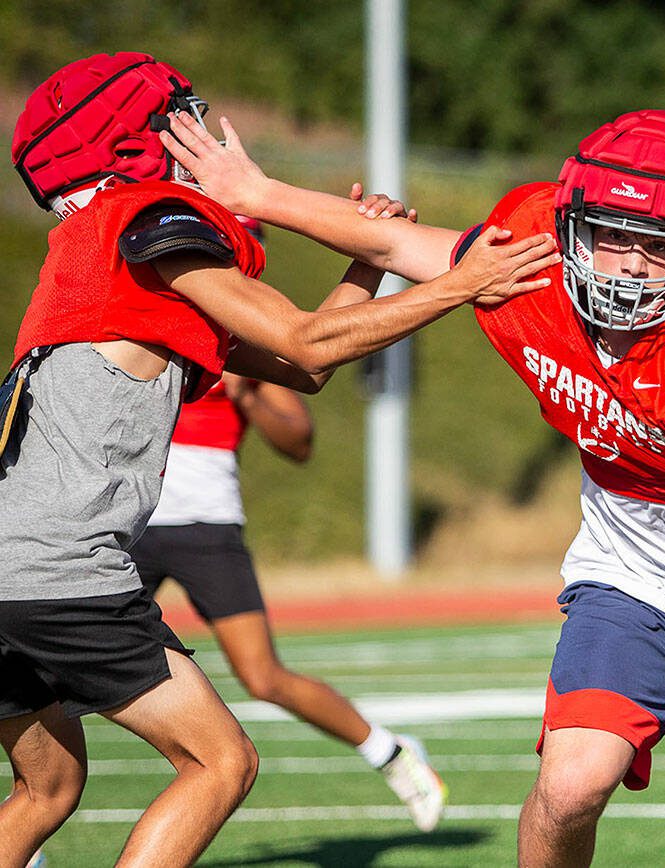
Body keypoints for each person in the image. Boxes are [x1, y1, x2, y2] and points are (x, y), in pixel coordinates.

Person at [162, 107, 665, 867]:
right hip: (628, 587)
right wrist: (255, 193)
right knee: (570, 784)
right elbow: (391, 240)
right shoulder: (529, 268)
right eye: (610, 236)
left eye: (659, 246)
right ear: (570, 224)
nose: (627, 266)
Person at [0, 51, 556, 866]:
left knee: (47, 789)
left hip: (12, 566)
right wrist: (457, 284)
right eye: (176, 116)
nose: (192, 128)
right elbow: (305, 338)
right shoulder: (143, 224)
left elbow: (304, 368)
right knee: (221, 762)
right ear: (132, 145)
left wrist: (367, 263)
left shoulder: (90, 257)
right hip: (59, 570)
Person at [130, 213, 447, 833]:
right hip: (127, 519)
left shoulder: (243, 327)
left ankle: (390, 752)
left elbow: (299, 437)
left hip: (206, 525)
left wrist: (245, 390)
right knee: (54, 666)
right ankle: (32, 817)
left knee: (262, 675)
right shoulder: (151, 303)